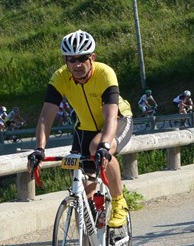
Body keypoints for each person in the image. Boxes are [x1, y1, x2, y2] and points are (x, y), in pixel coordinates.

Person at [29, 29, 133, 231]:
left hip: (118, 121)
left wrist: (104, 145)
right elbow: (46, 116)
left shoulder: (105, 73)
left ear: (92, 57)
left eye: (82, 58)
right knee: (83, 192)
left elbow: (111, 115)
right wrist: (39, 149)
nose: (77, 64)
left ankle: (119, 201)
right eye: (71, 59)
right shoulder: (60, 78)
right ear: (64, 60)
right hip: (84, 128)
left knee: (97, 148)